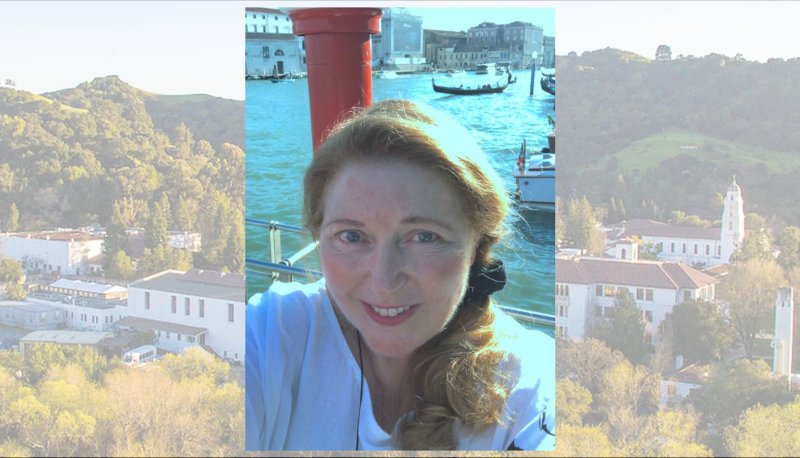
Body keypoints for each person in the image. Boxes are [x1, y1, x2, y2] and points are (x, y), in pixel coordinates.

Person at [245, 99, 555, 451]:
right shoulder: (271, 333)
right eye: (351, 236)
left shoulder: (526, 385)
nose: (383, 280)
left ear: (477, 248)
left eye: (425, 236)